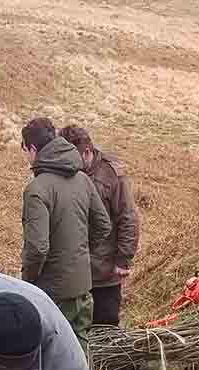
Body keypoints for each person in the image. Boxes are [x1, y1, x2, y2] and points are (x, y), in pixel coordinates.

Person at [18, 117, 111, 349]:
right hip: (82, 286)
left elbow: (38, 248)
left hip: (51, 291)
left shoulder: (36, 189)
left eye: (25, 150)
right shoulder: (82, 179)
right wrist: (78, 252)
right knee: (80, 351)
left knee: (50, 352)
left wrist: (28, 282)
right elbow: (103, 225)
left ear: (32, 149)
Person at [58, 125, 138, 329]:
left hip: (104, 271)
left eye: (73, 157)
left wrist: (123, 259)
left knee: (105, 326)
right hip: (72, 268)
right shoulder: (65, 170)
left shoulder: (111, 174)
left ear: (86, 152)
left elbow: (127, 217)